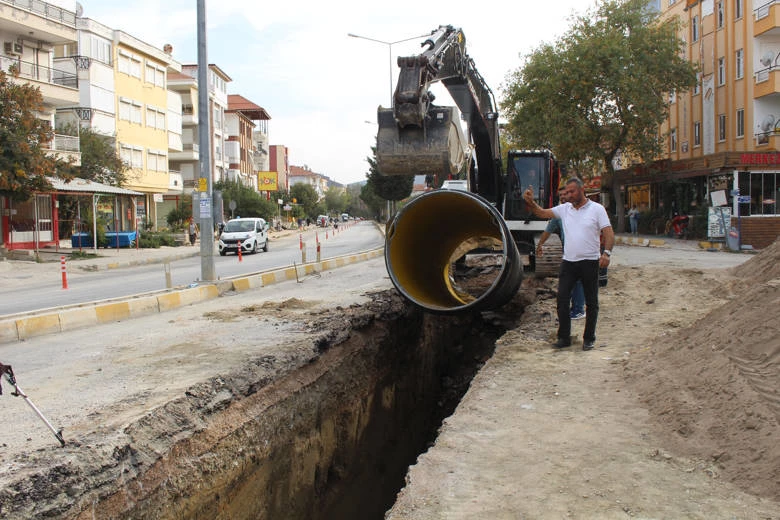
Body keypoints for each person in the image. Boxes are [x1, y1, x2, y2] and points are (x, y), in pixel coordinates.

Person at [523, 177, 615, 351]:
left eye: (572, 191)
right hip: (569, 262)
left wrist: (607, 254)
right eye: (567, 192)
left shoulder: (597, 209)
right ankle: (564, 337)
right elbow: (543, 213)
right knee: (562, 300)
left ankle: (589, 338)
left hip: (589, 261)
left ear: (582, 190)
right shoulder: (565, 209)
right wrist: (531, 202)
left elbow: (609, 233)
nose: (568, 195)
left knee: (591, 302)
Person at [536, 188, 585, 320]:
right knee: (570, 280)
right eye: (561, 195)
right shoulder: (560, 212)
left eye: (566, 194)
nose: (563, 197)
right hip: (567, 249)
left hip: (580, 249)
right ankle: (574, 307)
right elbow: (549, 229)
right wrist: (540, 244)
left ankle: (579, 309)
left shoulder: (579, 210)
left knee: (577, 280)